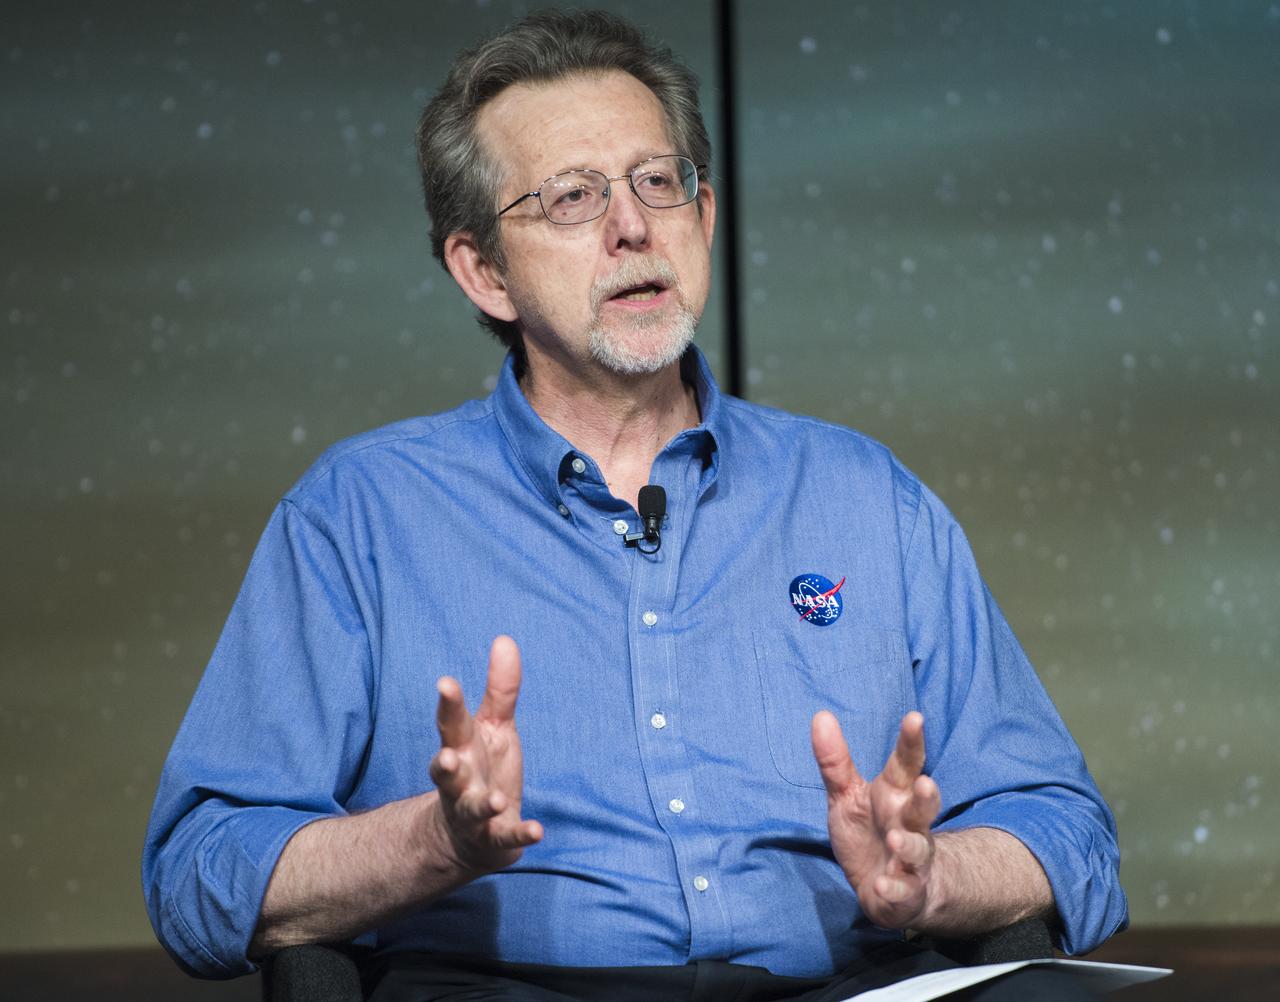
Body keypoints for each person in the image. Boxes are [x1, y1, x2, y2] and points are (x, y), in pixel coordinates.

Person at [143, 10, 1127, 999]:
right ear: (483, 272)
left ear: (701, 218)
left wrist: (932, 881)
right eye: (571, 198)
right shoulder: (357, 517)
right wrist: (433, 843)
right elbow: (200, 873)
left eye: (658, 183)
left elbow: (1066, 831)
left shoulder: (867, 500)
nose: (631, 225)